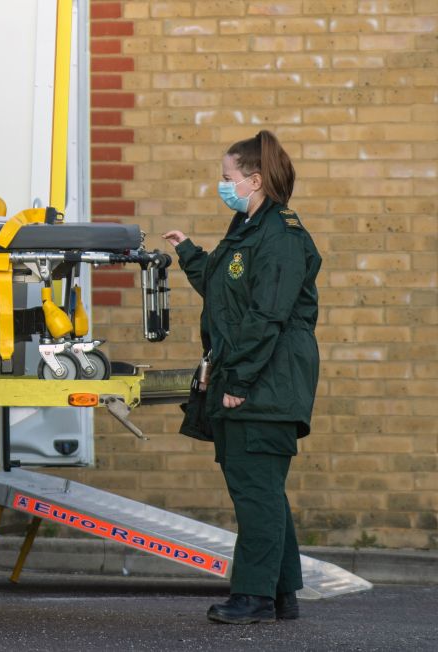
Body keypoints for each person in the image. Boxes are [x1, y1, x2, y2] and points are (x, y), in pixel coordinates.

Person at [162, 130, 321, 625]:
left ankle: (252, 597)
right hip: (252, 382)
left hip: (264, 387)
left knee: (255, 493)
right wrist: (189, 252)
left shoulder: (282, 237)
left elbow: (266, 317)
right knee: (262, 491)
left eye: (228, 177)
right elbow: (224, 287)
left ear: (254, 180)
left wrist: (239, 383)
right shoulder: (249, 229)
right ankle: (280, 594)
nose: (222, 184)